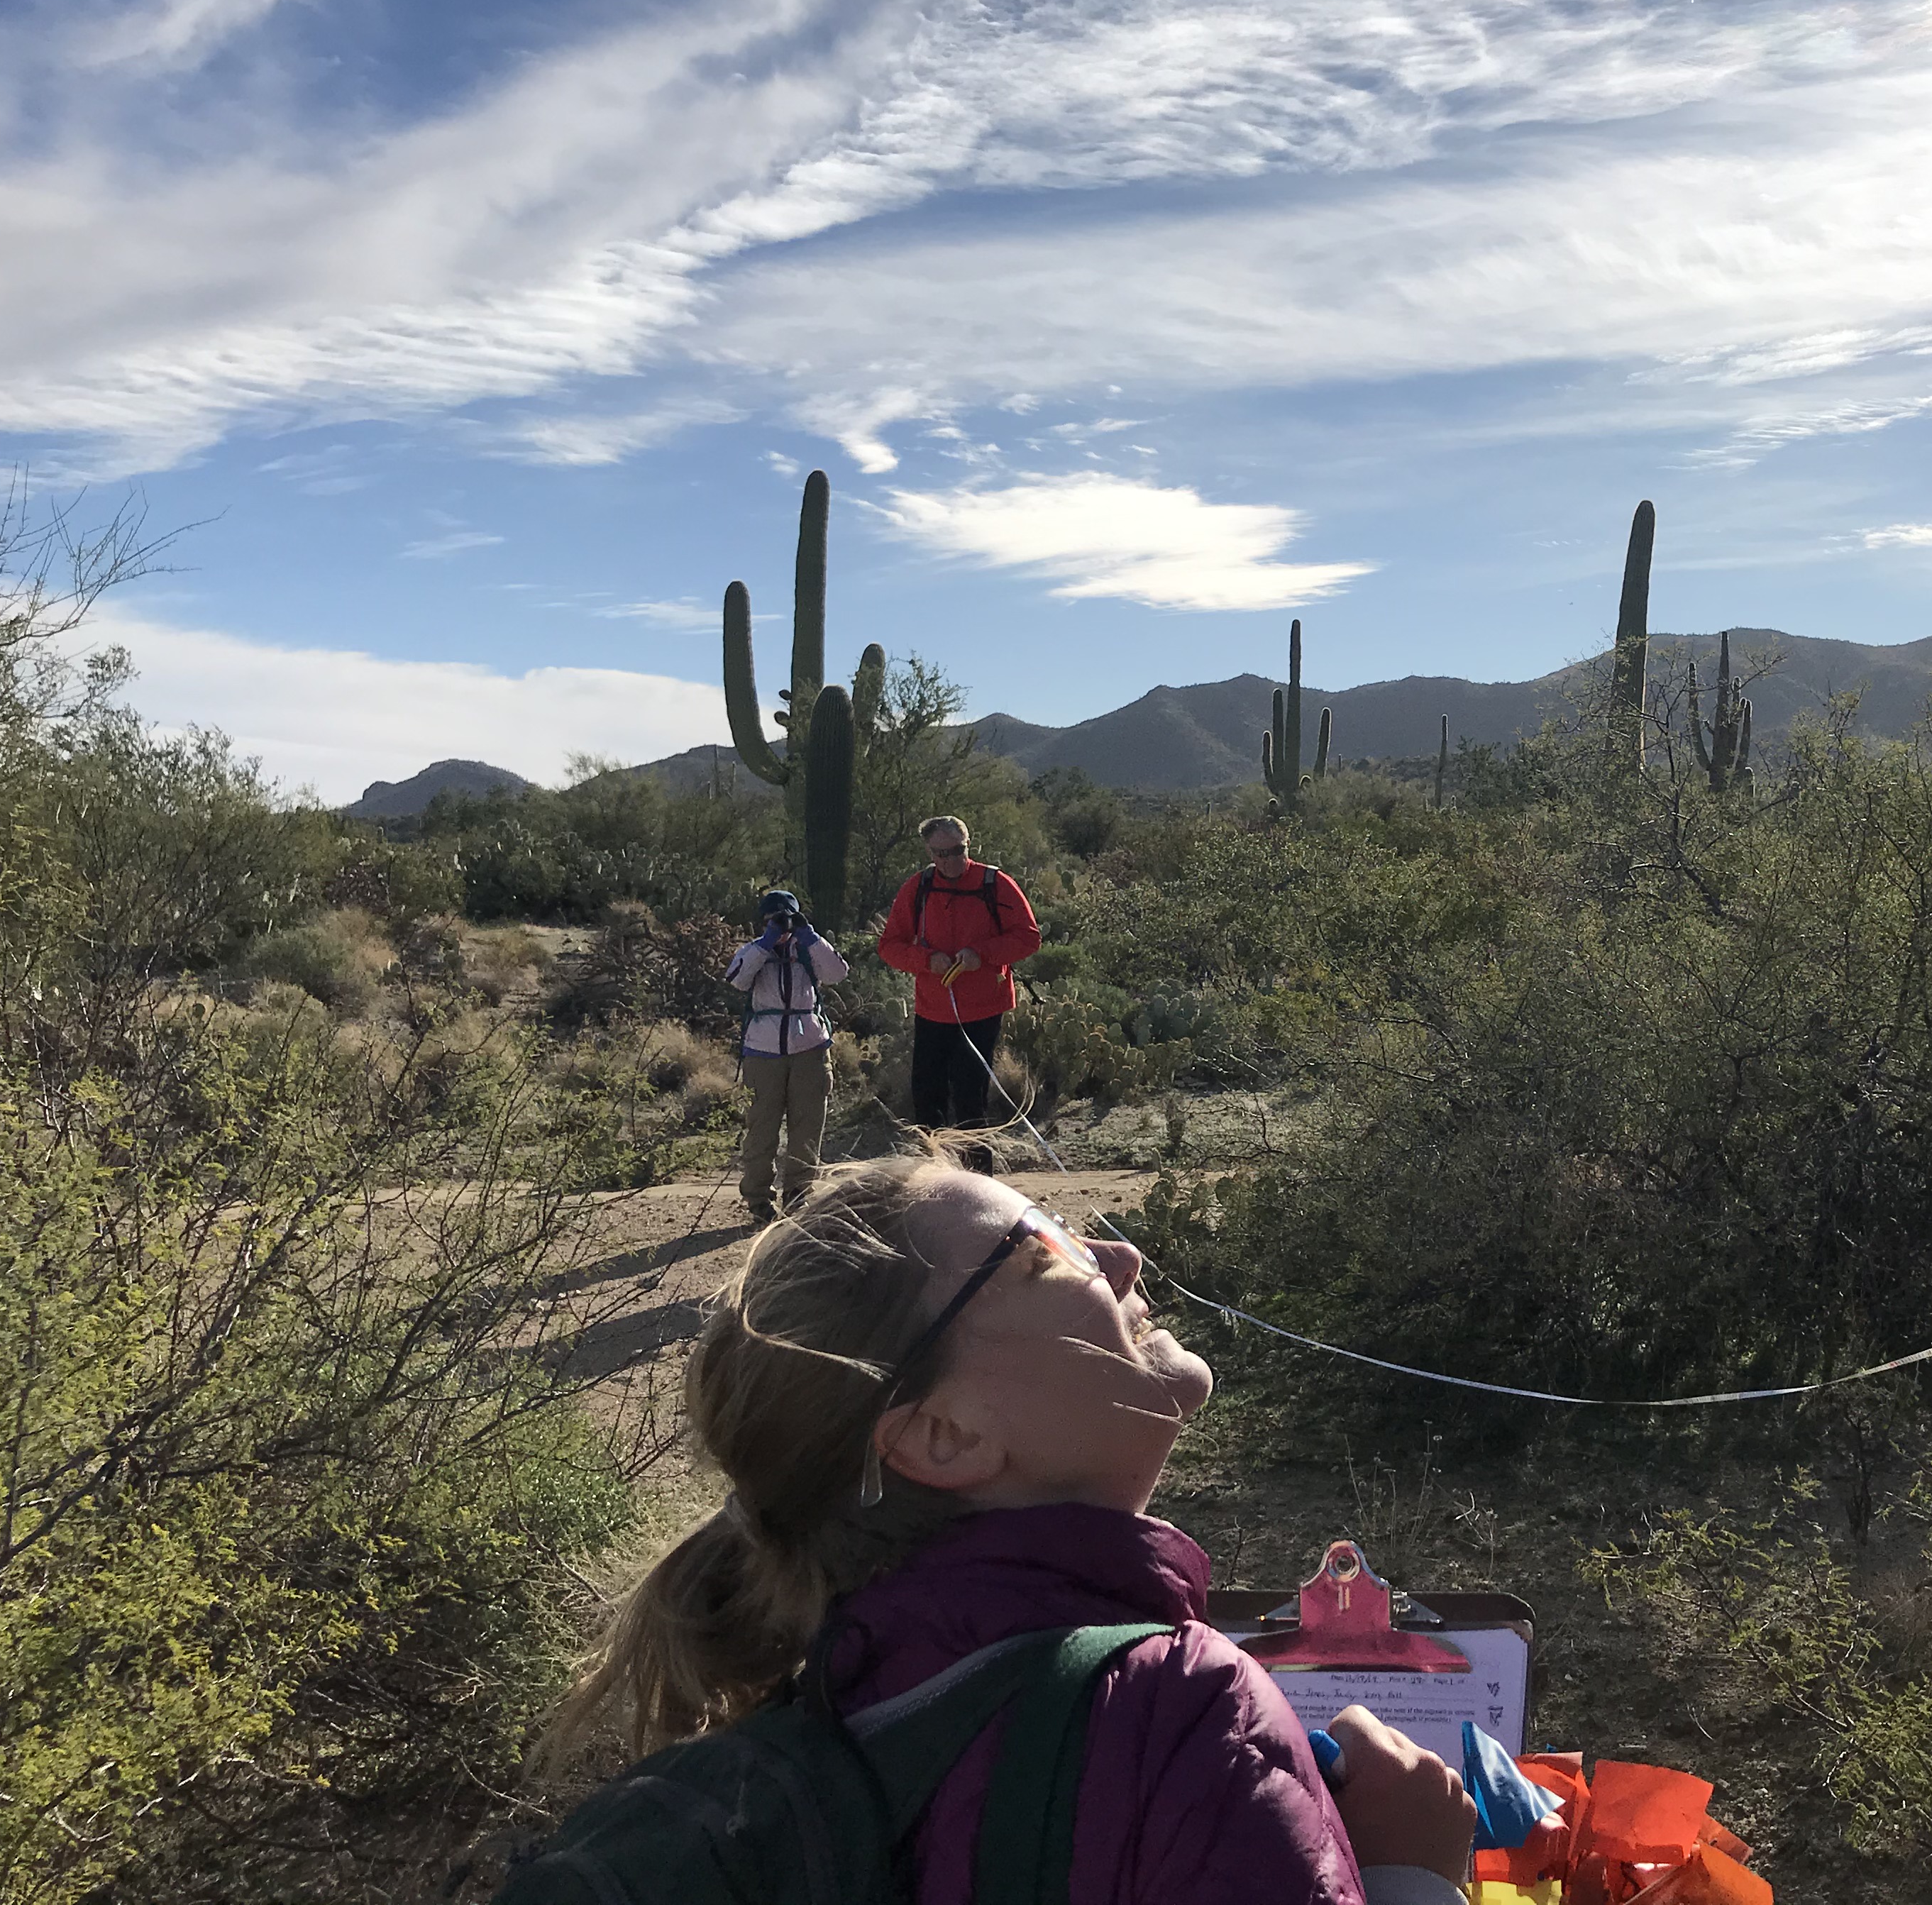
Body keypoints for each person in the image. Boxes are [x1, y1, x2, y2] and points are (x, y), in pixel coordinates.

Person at [551, 1157, 1478, 1904]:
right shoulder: (1182, 1715)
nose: (1120, 1256)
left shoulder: (842, 1710)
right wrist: (1409, 1872)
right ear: (944, 1437)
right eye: (1044, 1252)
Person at [876, 816, 1042, 1141]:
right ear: (929, 852)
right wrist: (926, 960)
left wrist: (982, 955)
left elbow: (1028, 938)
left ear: (969, 845)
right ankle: (933, 1166)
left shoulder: (995, 883)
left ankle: (977, 1169)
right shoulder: (918, 887)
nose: (949, 860)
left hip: (983, 1009)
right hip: (933, 1010)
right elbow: (890, 946)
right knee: (927, 1099)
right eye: (940, 853)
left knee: (970, 1099)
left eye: (956, 850)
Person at [726, 888, 849, 1220]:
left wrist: (809, 936)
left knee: (808, 1127)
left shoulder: (808, 950)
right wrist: (767, 942)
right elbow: (737, 979)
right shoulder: (754, 951)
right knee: (761, 1129)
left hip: (810, 1048)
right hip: (763, 1052)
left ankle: (799, 1194)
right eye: (774, 920)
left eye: (786, 919)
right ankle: (758, 1199)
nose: (782, 926)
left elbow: (837, 973)